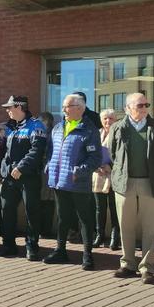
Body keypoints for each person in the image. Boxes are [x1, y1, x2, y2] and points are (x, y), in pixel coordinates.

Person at [108, 93, 154, 285]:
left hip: (151, 183)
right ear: (127, 108)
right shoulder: (117, 128)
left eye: (146, 105)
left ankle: (147, 267)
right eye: (139, 105)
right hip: (125, 182)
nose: (144, 108)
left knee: (151, 227)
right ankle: (128, 264)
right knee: (125, 225)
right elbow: (113, 154)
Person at [43, 94, 103, 270]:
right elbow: (50, 150)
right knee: (62, 217)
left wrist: (80, 171)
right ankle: (60, 251)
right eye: (63, 106)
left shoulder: (89, 129)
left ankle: (87, 255)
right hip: (59, 181)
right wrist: (49, 165)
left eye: (67, 106)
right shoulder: (58, 127)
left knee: (84, 219)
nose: (63, 110)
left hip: (79, 183)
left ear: (80, 108)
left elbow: (95, 157)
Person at [0, 96, 47, 260]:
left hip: (28, 177)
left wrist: (21, 167)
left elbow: (37, 150)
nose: (7, 110)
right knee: (7, 211)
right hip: (9, 177)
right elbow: (2, 150)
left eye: (10, 107)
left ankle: (32, 246)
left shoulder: (36, 125)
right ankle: (8, 245)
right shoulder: (10, 126)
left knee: (32, 212)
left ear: (19, 107)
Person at [94, 109, 120, 250]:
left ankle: (115, 238)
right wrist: (96, 165)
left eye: (110, 118)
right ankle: (99, 235)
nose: (108, 121)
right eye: (105, 118)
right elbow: (90, 151)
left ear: (115, 120)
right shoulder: (97, 133)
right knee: (100, 208)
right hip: (99, 174)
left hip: (114, 175)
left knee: (114, 208)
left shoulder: (119, 133)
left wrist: (109, 165)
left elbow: (123, 155)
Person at [37, 112, 57, 240]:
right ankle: (44, 229)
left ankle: (45, 229)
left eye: (40, 120)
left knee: (47, 200)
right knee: (44, 200)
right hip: (42, 170)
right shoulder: (42, 132)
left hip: (47, 170)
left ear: (46, 121)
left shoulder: (51, 134)